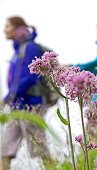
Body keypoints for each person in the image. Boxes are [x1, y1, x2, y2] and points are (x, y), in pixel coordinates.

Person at [0, 16, 52, 170]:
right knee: (4, 150)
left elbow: (30, 77)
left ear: (18, 29)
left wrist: (8, 97)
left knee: (39, 148)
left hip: (31, 105)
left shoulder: (29, 48)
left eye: (8, 26)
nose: (4, 30)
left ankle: (55, 168)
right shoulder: (17, 51)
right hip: (17, 107)